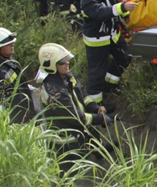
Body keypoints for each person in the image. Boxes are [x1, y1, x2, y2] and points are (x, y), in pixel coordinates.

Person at [37, 43, 114, 173]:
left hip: (80, 125)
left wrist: (95, 108)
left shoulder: (67, 76)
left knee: (92, 136)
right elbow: (75, 117)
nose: (67, 63)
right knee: (71, 171)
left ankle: (101, 152)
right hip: (66, 138)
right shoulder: (54, 90)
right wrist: (100, 119)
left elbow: (82, 94)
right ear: (51, 65)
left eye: (67, 59)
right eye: (62, 61)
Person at [74, 0, 136, 105]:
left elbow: (114, 2)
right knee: (97, 72)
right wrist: (123, 8)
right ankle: (96, 106)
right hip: (97, 41)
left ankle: (110, 86)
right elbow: (102, 12)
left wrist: (125, 14)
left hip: (112, 34)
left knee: (125, 57)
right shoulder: (87, 2)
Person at [0, 27, 35, 123]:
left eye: (12, 42)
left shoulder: (8, 61)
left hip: (27, 115)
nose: (12, 45)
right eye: (8, 44)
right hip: (17, 122)